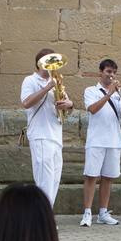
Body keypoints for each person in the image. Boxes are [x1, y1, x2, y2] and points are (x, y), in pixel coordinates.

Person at [21, 48, 73, 210]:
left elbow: (68, 106)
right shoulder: (30, 80)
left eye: (54, 63)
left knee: (54, 180)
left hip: (56, 136)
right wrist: (47, 87)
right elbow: (26, 103)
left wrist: (69, 104)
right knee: (44, 179)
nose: (52, 67)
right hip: (41, 135)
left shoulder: (57, 81)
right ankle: (42, 219)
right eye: (48, 62)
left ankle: (45, 217)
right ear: (39, 64)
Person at [80, 58, 121, 227]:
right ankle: (87, 213)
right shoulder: (91, 90)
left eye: (114, 72)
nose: (112, 75)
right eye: (109, 72)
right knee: (91, 176)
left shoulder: (118, 93)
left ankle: (103, 212)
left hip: (114, 140)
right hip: (96, 140)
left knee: (108, 178)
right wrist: (109, 94)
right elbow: (93, 109)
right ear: (101, 72)